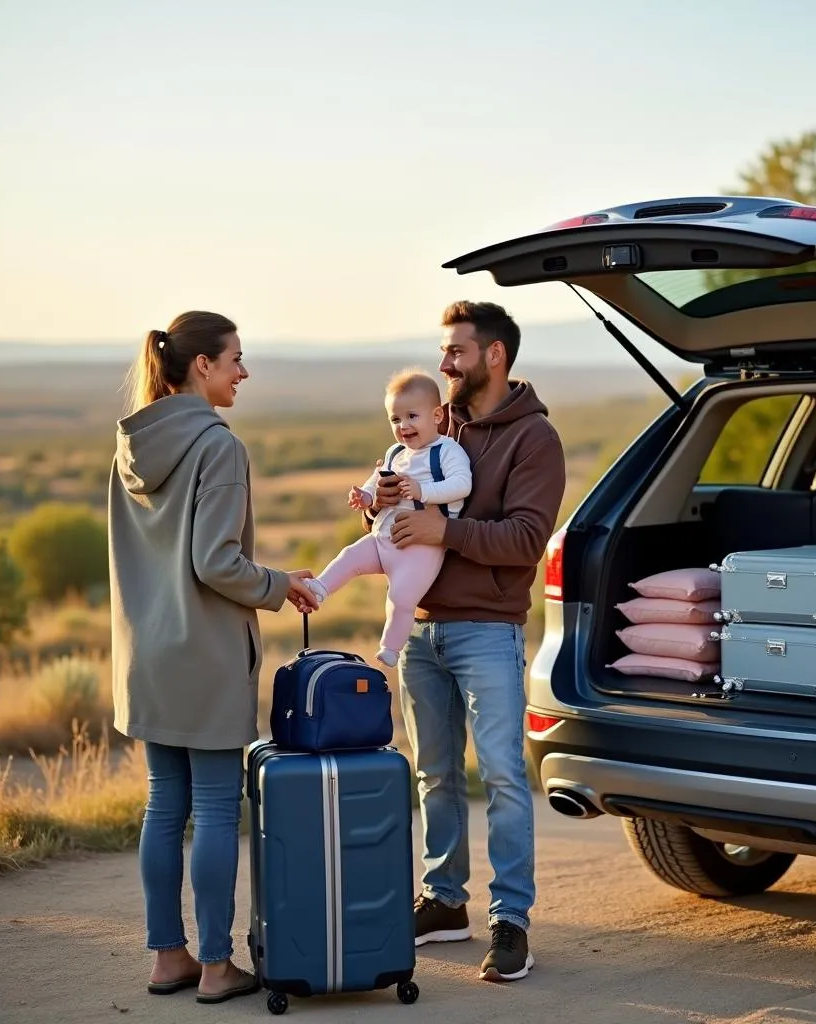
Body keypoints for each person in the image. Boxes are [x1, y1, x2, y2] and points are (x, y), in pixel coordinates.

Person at [108, 311, 319, 1005]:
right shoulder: (218, 446)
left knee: (164, 806)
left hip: (145, 656)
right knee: (216, 809)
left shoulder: (130, 444)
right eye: (235, 359)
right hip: (203, 656)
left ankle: (169, 957)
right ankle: (218, 966)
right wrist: (279, 586)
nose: (243, 372)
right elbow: (214, 563)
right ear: (202, 366)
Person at [363, 301, 566, 982]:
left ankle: (511, 922)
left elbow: (525, 542)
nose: (444, 362)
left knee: (505, 776)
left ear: (494, 357)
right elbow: (411, 511)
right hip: (423, 631)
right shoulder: (432, 427)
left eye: (456, 351)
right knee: (435, 774)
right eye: (443, 351)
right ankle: (445, 903)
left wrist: (442, 531)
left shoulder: (534, 439)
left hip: (488, 630)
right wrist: (391, 496)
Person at [306, 369, 472, 667]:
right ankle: (320, 588)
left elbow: (462, 485)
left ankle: (391, 647)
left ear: (437, 416)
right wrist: (367, 498)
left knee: (401, 596)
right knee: (350, 556)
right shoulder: (396, 453)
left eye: (412, 416)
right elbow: (375, 482)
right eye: (395, 419)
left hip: (420, 549)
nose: (404, 426)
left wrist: (423, 490)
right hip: (382, 538)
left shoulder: (447, 451)